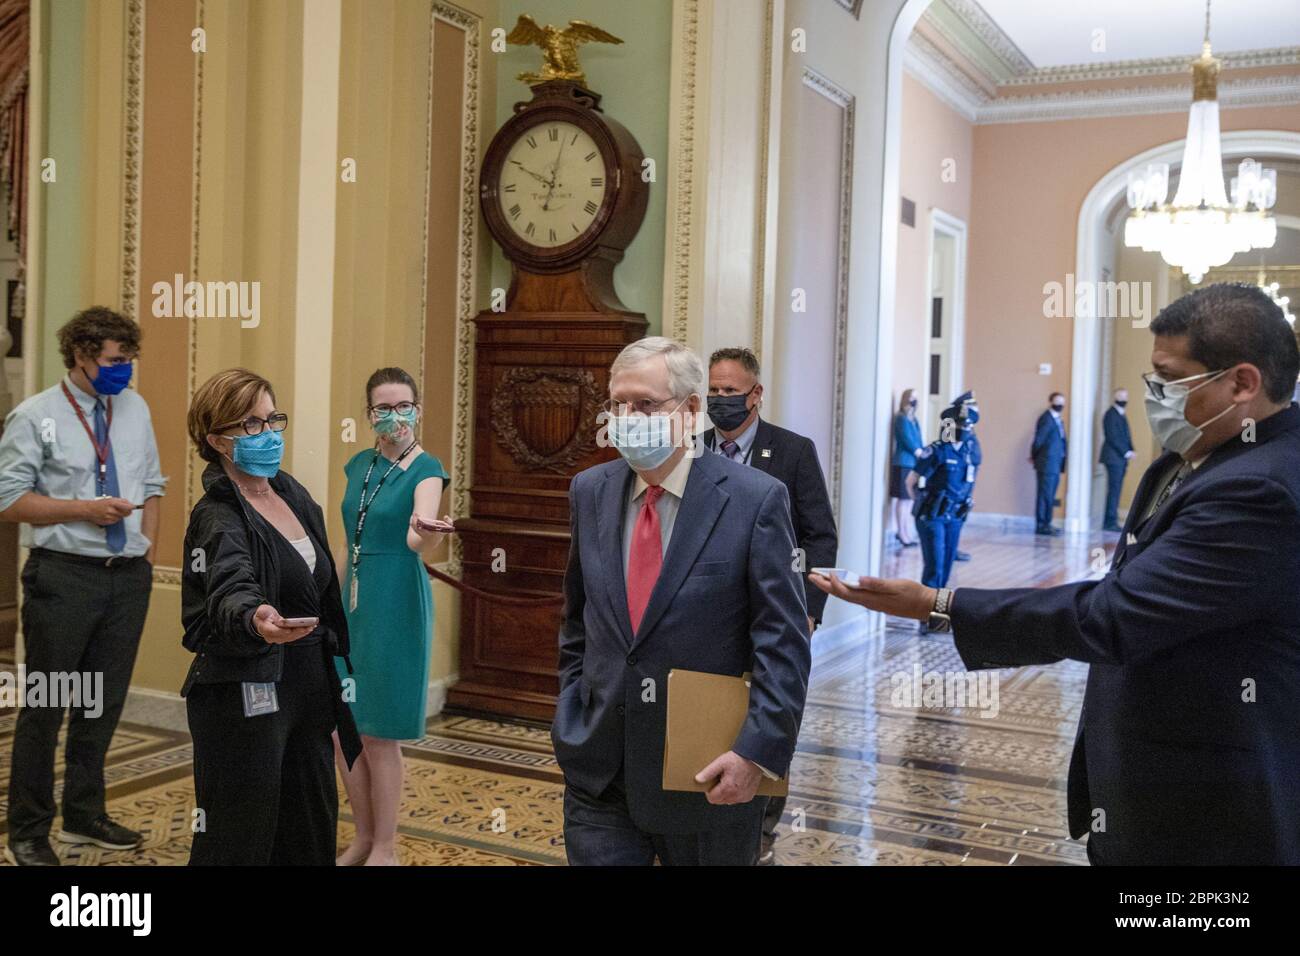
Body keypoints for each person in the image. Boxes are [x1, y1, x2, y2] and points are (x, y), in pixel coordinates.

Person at [811, 283, 1300, 865]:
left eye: (1169, 379)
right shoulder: (1188, 461)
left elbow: (1116, 614)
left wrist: (938, 603)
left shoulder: (1260, 488)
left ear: (1242, 383)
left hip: (1208, 804)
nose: (1155, 396)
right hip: (1151, 781)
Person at [553, 336, 811, 866]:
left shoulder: (754, 499)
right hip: (600, 772)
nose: (628, 418)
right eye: (618, 403)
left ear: (691, 409)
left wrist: (756, 753)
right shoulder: (590, 490)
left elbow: (782, 643)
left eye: (646, 404)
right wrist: (571, 711)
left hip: (708, 775)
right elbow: (578, 620)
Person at [0, 307, 166, 867]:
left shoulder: (135, 408)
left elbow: (153, 484)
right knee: (48, 706)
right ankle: (28, 831)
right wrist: (84, 510)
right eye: (115, 360)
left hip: (127, 577)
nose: (125, 369)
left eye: (129, 359)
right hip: (63, 577)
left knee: (103, 703)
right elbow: (9, 500)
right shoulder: (35, 415)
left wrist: (147, 554)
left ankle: (84, 814)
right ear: (81, 355)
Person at [181, 368, 362, 865]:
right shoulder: (217, 515)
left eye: (272, 419)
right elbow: (229, 582)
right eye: (251, 425)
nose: (268, 433)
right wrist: (254, 616)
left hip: (307, 682)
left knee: (309, 826)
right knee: (240, 835)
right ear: (217, 440)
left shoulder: (291, 492)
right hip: (244, 686)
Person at [701, 346, 838, 865]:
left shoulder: (792, 451)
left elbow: (820, 535)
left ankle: (760, 834)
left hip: (772, 614)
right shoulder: (693, 450)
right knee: (713, 713)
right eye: (713, 390)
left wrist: (809, 609)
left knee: (768, 711)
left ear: (755, 394)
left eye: (730, 391)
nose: (720, 399)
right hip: (708, 616)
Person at [333, 368, 453, 867]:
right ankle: (362, 837)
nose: (394, 415)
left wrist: (428, 532)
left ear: (417, 410)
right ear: (369, 415)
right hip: (352, 600)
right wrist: (328, 602)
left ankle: (385, 844)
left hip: (395, 599)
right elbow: (349, 539)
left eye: (404, 406)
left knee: (379, 731)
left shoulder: (427, 468)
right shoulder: (358, 465)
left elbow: (415, 537)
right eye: (383, 408)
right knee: (343, 728)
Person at [907, 393, 977, 612]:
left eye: (968, 426)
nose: (965, 429)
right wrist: (921, 502)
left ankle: (938, 613)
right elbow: (911, 481)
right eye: (961, 425)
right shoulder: (937, 450)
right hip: (932, 516)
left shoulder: (969, 452)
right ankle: (925, 614)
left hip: (955, 516)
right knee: (934, 567)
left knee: (947, 566)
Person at [1030, 391, 1068, 535]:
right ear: (1051, 402)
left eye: (1062, 402)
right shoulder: (1046, 419)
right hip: (1046, 464)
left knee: (1050, 495)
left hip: (1055, 464)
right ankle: (1042, 525)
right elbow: (1038, 440)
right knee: (1045, 495)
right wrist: (1034, 456)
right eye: (1057, 401)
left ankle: (1048, 523)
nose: (1060, 404)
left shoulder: (1058, 420)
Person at [889, 389, 922, 548]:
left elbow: (918, 439)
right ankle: (901, 532)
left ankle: (906, 531)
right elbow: (906, 439)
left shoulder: (914, 419)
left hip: (913, 464)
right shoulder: (901, 418)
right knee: (903, 499)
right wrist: (917, 451)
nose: (914, 401)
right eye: (912, 397)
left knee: (909, 500)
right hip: (903, 462)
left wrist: (923, 453)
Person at [1099, 387, 1135, 532]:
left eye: (1126, 397)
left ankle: (1111, 520)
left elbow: (1126, 435)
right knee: (1114, 490)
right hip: (1113, 458)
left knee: (1116, 490)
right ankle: (1109, 522)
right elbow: (1113, 437)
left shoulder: (1121, 414)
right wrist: (1126, 452)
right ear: (1115, 398)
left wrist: (1131, 450)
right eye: (1121, 397)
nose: (1124, 399)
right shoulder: (1110, 414)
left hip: (1119, 459)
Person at [951, 392, 981, 562]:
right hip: (957, 476)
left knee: (962, 510)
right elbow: (950, 449)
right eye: (972, 405)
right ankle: (951, 549)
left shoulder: (969, 424)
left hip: (967, 476)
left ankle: (954, 547)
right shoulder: (952, 424)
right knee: (954, 512)